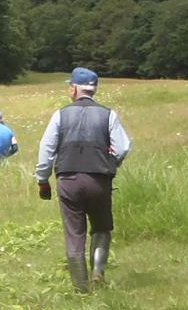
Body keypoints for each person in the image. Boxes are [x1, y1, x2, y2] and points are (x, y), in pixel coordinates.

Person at [34, 68, 133, 292]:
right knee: (101, 227)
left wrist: (42, 179)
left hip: (68, 179)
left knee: (74, 233)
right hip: (99, 180)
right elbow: (124, 146)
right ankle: (98, 273)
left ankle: (81, 288)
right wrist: (111, 163)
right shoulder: (109, 114)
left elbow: (46, 149)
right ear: (93, 89)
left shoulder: (60, 114)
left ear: (75, 89)